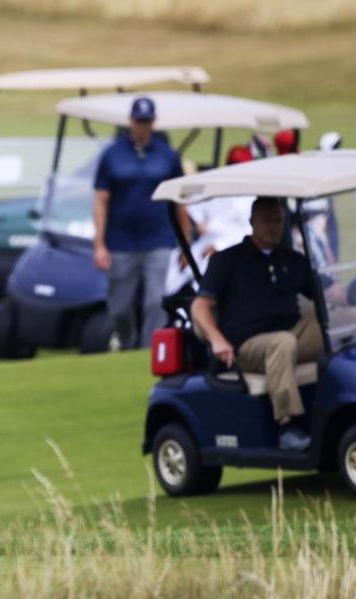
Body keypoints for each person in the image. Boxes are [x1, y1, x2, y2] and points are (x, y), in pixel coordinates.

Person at [191, 197, 317, 452]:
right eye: (266, 220)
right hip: (246, 346)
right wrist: (216, 339)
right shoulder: (227, 261)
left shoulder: (292, 260)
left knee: (351, 321)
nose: (273, 226)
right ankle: (287, 425)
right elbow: (199, 307)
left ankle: (347, 400)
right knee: (282, 343)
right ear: (251, 222)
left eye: (278, 220)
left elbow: (328, 293)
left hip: (290, 334)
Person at [93, 96, 191, 349]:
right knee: (120, 306)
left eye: (147, 121)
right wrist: (99, 243)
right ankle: (127, 344)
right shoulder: (112, 155)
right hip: (121, 241)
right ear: (130, 121)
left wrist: (185, 243)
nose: (142, 126)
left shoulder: (168, 156)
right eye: (139, 121)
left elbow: (179, 201)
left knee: (154, 302)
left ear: (153, 122)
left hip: (158, 238)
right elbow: (101, 200)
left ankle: (149, 352)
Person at [164, 145, 254, 295]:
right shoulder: (216, 188)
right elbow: (189, 209)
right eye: (233, 166)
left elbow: (248, 233)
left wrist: (219, 245)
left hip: (233, 248)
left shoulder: (252, 198)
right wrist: (187, 244)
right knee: (172, 270)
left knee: (207, 271)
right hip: (203, 244)